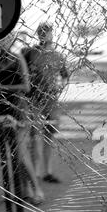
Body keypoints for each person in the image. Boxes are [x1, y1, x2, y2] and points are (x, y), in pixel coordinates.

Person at [0, 35, 45, 204]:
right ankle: (20, 191)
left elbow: (26, 86)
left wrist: (2, 88)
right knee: (8, 154)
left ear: (11, 40)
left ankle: (37, 190)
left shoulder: (17, 59)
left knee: (22, 153)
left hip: (19, 109)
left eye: (5, 39)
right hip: (1, 111)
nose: (1, 42)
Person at [22, 22, 69, 183]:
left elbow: (65, 76)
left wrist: (60, 88)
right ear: (37, 34)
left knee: (49, 136)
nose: (44, 35)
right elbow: (23, 73)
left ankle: (47, 172)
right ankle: (34, 174)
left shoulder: (58, 55)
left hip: (51, 101)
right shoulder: (31, 53)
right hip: (34, 101)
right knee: (35, 136)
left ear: (51, 34)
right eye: (41, 32)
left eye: (46, 32)